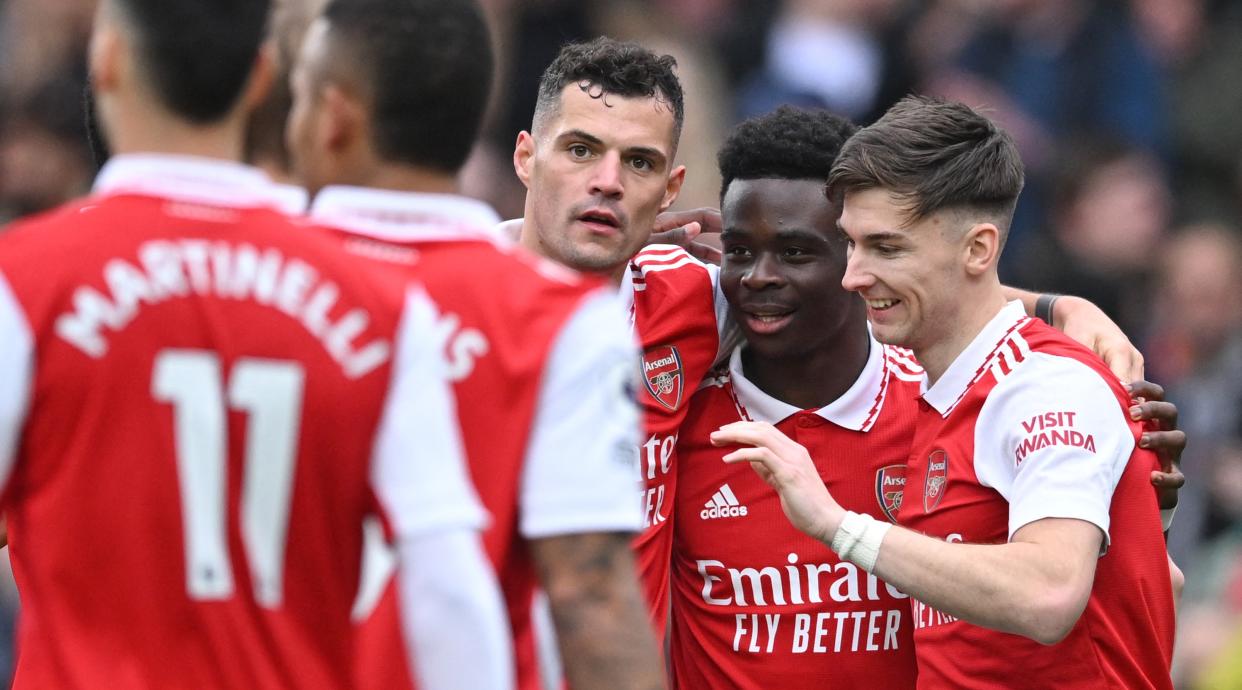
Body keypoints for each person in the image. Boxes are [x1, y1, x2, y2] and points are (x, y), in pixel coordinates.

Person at [0, 0, 510, 688]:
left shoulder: (23, 280)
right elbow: (448, 593)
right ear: (266, 78)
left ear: (108, 60)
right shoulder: (374, 305)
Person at [669, 104, 1187, 689]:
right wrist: (1141, 519)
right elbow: (1157, 586)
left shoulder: (1043, 385)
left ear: (979, 249)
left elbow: (1050, 593)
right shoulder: (943, 392)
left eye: (884, 248)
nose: (854, 275)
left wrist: (838, 525)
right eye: (854, 245)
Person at [283, 3, 662, 690]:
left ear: (331, 117)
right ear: (514, 149)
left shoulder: (252, 284)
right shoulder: (559, 319)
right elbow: (593, 598)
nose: (608, 179)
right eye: (580, 150)